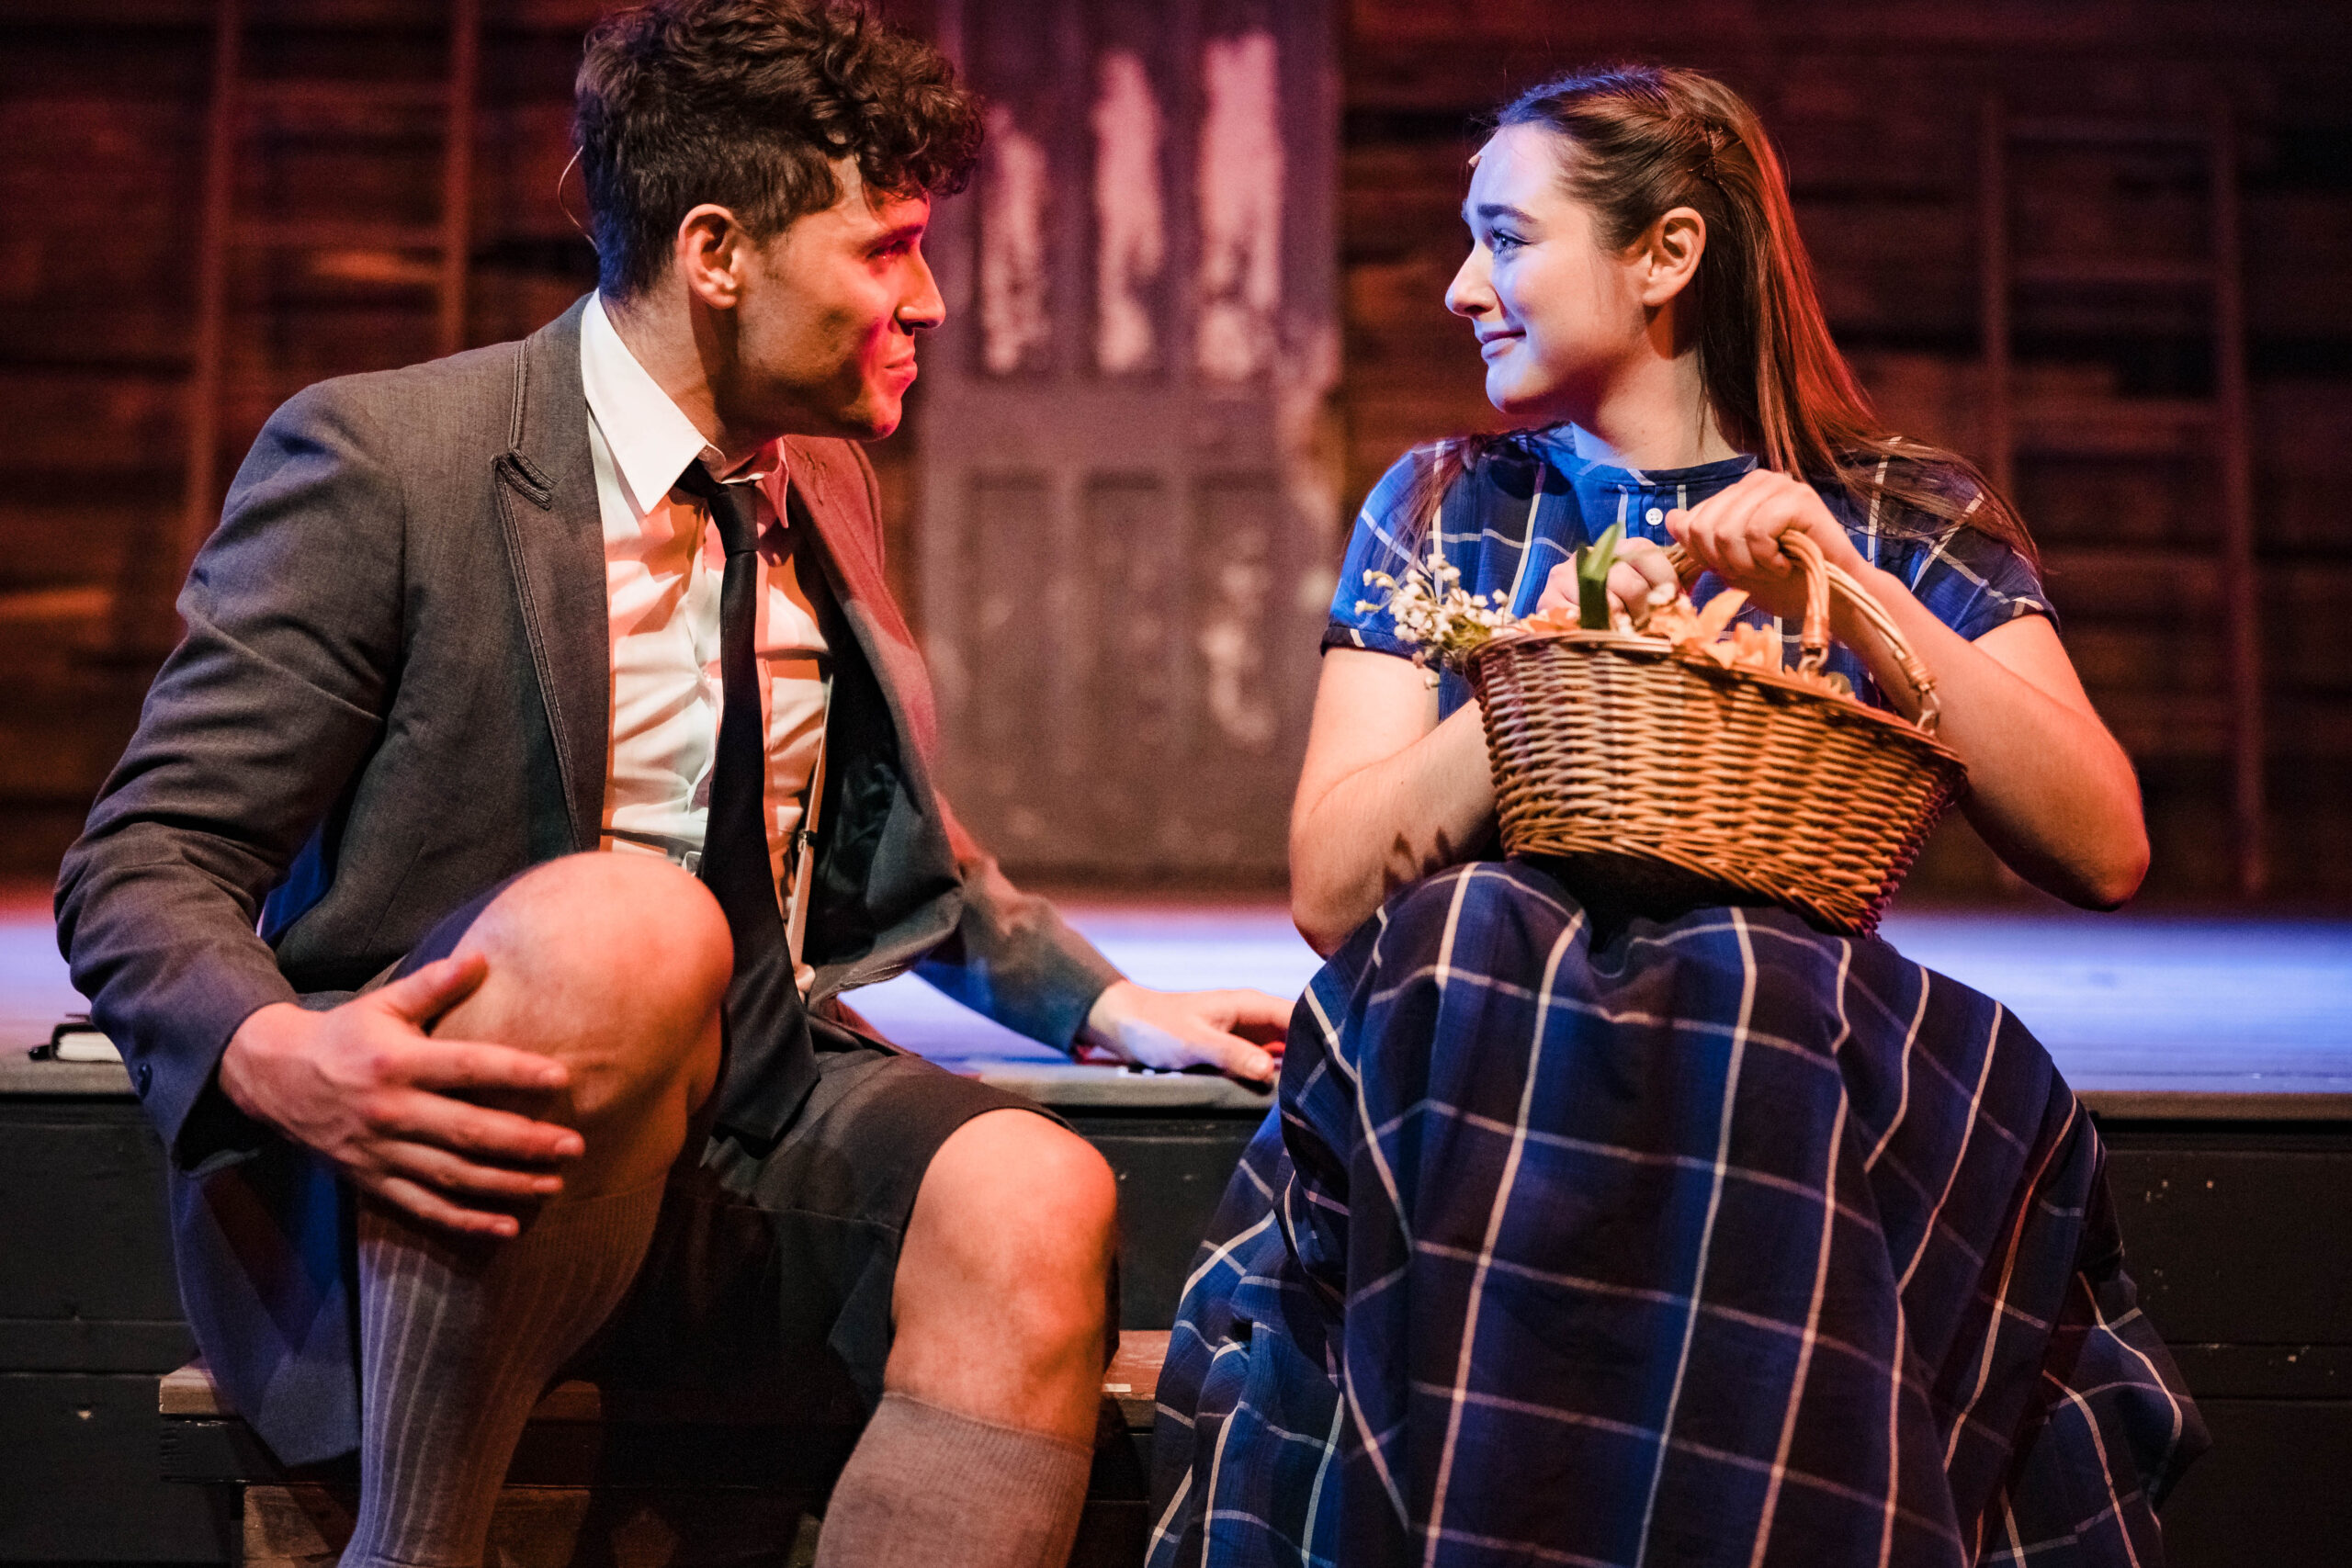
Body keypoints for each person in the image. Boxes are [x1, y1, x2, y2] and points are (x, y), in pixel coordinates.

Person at [54, 5, 1289, 1566]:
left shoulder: (814, 476)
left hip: (746, 1118)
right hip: (448, 1172)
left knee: (1036, 1195)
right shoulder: (391, 460)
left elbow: (886, 839)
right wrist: (279, 1053)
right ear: (717, 253)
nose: (930, 300)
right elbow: (148, 855)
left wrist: (1110, 1006)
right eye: (889, 250)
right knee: (629, 929)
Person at [1149, 65, 2202, 1567]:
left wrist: (1855, 592)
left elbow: (2102, 844)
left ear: (1666, 256)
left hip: (1774, 1059)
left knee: (1743, 976)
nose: (1459, 288)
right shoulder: (1451, 504)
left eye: (1505, 240)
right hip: (1493, 1055)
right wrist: (1570, 654)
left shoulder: (1889, 506)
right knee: (1478, 934)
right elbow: (1332, 889)